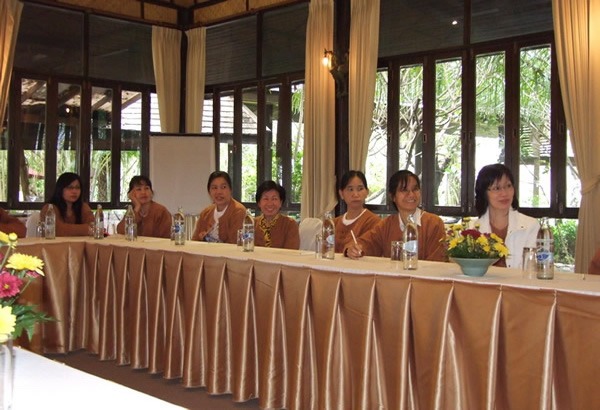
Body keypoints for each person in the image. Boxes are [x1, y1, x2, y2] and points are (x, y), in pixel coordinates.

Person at [344, 170, 446, 261]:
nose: (411, 194)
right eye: (404, 190)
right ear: (393, 196)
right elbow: (365, 243)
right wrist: (352, 249)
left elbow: (437, 261)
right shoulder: (386, 225)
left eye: (415, 189)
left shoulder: (434, 223)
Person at [473, 163, 539, 268]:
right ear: (483, 193)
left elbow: (532, 268)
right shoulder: (472, 228)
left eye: (508, 186)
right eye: (496, 188)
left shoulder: (531, 225)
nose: (504, 193)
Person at [191, 171, 246, 244]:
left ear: (230, 189)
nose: (219, 192)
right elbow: (195, 240)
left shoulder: (238, 211)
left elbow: (234, 243)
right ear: (209, 192)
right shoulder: (205, 213)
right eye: (214, 188)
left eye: (223, 187)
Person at [334, 170, 381, 253]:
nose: (355, 194)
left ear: (367, 192)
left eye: (360, 189)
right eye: (350, 189)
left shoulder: (374, 222)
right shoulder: (334, 223)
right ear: (341, 194)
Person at [253, 180, 299, 249]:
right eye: (265, 199)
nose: (270, 203)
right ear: (259, 203)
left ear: (280, 202)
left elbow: (291, 252)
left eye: (274, 199)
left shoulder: (290, 224)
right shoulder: (252, 224)